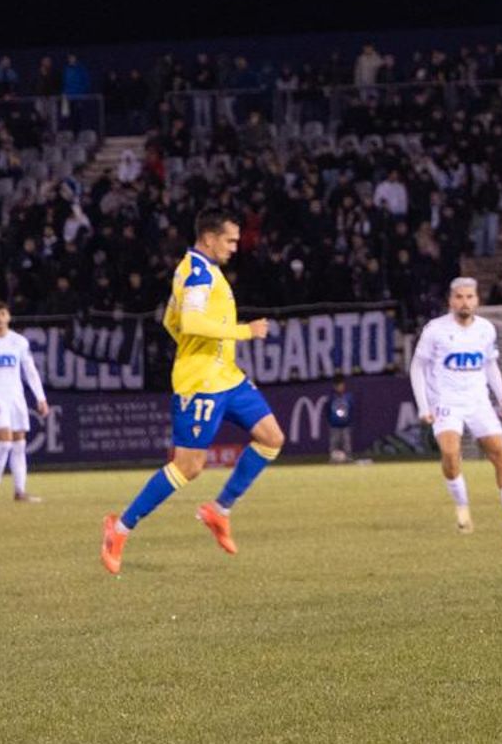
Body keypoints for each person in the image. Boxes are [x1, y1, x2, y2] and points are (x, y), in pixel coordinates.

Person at [102, 209, 287, 574]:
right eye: (230, 240)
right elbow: (189, 321)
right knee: (189, 467)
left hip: (227, 377)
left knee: (271, 437)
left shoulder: (201, 270)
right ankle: (119, 528)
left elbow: (171, 320)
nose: (236, 247)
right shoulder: (198, 272)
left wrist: (197, 346)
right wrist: (243, 332)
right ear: (209, 238)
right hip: (200, 382)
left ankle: (219, 510)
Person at [410, 277, 502, 535]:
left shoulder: (485, 329)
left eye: (469, 297)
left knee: (500, 454)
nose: (464, 302)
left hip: (478, 401)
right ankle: (462, 508)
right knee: (450, 454)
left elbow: (490, 365)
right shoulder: (435, 330)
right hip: (445, 402)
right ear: (450, 300)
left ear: (477, 300)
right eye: (459, 297)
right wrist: (424, 405)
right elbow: (417, 367)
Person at [0, 303, 48, 503]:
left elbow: (30, 371)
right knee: (5, 441)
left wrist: (41, 397)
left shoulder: (19, 342)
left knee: (19, 443)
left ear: (9, 317)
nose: (0, 318)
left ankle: (19, 491)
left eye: (3, 314)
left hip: (16, 397)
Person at [327, 376, 355, 463]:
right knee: (334, 443)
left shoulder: (348, 397)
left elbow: (352, 409)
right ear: (335, 387)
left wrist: (349, 421)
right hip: (334, 425)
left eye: (342, 385)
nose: (341, 387)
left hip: (345, 425)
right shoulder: (332, 397)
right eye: (339, 386)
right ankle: (333, 458)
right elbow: (327, 410)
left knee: (347, 443)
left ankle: (348, 458)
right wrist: (330, 421)